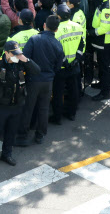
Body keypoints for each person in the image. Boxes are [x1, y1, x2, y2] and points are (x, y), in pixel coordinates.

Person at [0, 41, 40, 170]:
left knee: (11, 132)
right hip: (1, 107)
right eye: (14, 54)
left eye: (18, 53)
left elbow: (37, 71)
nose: (16, 56)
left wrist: (25, 60)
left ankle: (6, 154)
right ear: (6, 53)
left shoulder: (21, 63)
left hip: (17, 105)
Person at [16, 15, 64, 146]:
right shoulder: (58, 45)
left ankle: (22, 136)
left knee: (28, 108)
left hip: (33, 80)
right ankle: (40, 135)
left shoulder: (34, 39)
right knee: (44, 109)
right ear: (56, 29)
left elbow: (24, 58)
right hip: (48, 81)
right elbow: (58, 66)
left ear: (44, 25)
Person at [51, 4, 85, 124]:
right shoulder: (78, 26)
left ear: (59, 16)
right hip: (74, 65)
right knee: (74, 90)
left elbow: (57, 50)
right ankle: (72, 113)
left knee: (58, 93)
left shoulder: (56, 29)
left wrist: (65, 61)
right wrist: (77, 59)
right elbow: (82, 45)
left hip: (61, 67)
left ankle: (57, 117)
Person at [89, 0, 110, 101]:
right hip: (101, 40)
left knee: (105, 67)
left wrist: (91, 33)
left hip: (104, 40)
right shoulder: (103, 0)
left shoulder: (108, 5)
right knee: (101, 64)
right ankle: (102, 84)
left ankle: (106, 92)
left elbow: (104, 27)